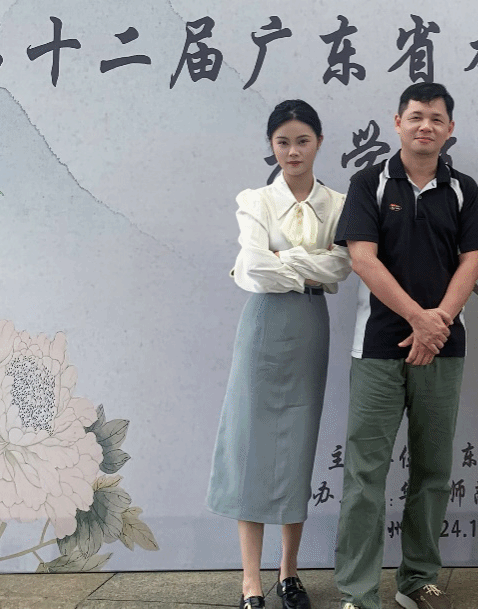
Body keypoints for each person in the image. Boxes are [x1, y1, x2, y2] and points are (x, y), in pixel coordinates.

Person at [333, 82, 478, 609]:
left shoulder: (463, 189)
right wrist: (419, 319)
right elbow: (362, 258)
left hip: (443, 347)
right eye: (416, 116)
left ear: (450, 129)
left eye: (437, 118)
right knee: (365, 474)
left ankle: (418, 579)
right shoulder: (369, 182)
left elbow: (471, 261)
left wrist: (436, 324)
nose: (426, 126)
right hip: (377, 348)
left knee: (433, 471)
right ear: (397, 122)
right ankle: (358, 592)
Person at [206, 99, 353, 609]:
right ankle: (251, 581)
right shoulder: (255, 200)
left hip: (310, 326)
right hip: (264, 325)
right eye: (283, 142)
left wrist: (281, 259)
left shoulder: (337, 203)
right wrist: (306, 263)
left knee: (296, 448)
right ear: (271, 145)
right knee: (251, 449)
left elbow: (342, 267)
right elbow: (251, 268)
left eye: (302, 141)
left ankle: (289, 573)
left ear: (319, 143)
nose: (293, 151)